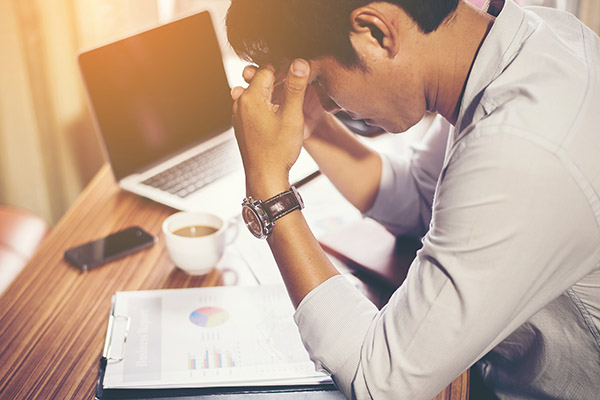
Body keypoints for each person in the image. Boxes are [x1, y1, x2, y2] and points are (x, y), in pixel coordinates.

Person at [226, 0, 600, 398]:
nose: (330, 103)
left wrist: (268, 186)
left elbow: (381, 381)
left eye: (318, 80)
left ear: (376, 33)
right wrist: (313, 125)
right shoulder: (529, 39)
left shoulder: (520, 148)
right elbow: (424, 198)